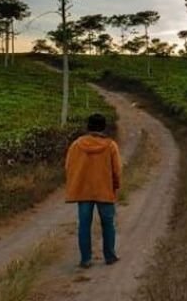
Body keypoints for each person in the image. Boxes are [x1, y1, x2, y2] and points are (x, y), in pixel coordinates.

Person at [65, 112, 122, 268]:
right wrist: (115, 186)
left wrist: (74, 184)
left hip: (83, 190)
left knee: (84, 225)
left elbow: (68, 166)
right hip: (104, 189)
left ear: (88, 126)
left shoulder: (76, 145)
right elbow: (117, 170)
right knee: (108, 224)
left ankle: (85, 259)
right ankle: (109, 256)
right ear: (104, 127)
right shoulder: (110, 146)